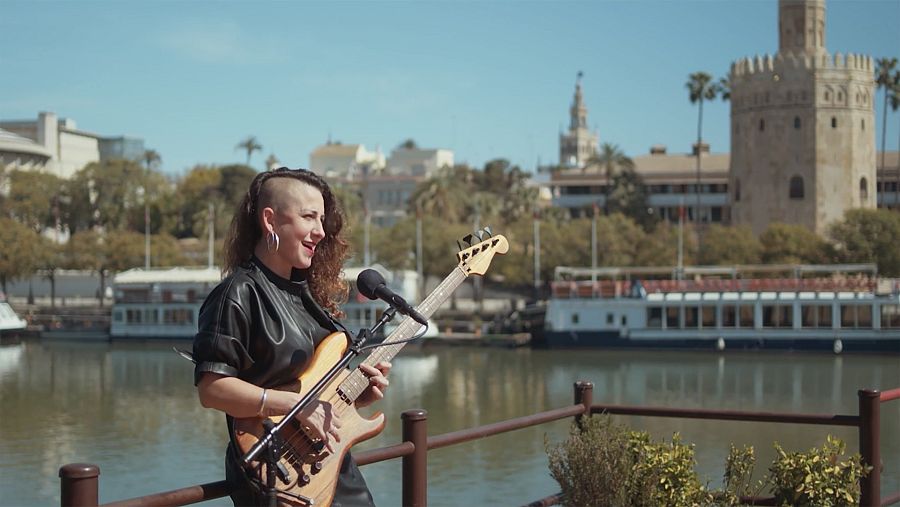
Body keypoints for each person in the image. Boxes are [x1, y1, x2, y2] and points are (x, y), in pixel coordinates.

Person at [192, 167, 391, 506]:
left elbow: (312, 391)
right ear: (270, 221)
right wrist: (293, 406)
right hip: (275, 474)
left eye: (323, 219)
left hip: (333, 468)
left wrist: (357, 398)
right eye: (309, 217)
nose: (320, 231)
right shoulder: (237, 294)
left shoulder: (307, 294)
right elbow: (212, 389)